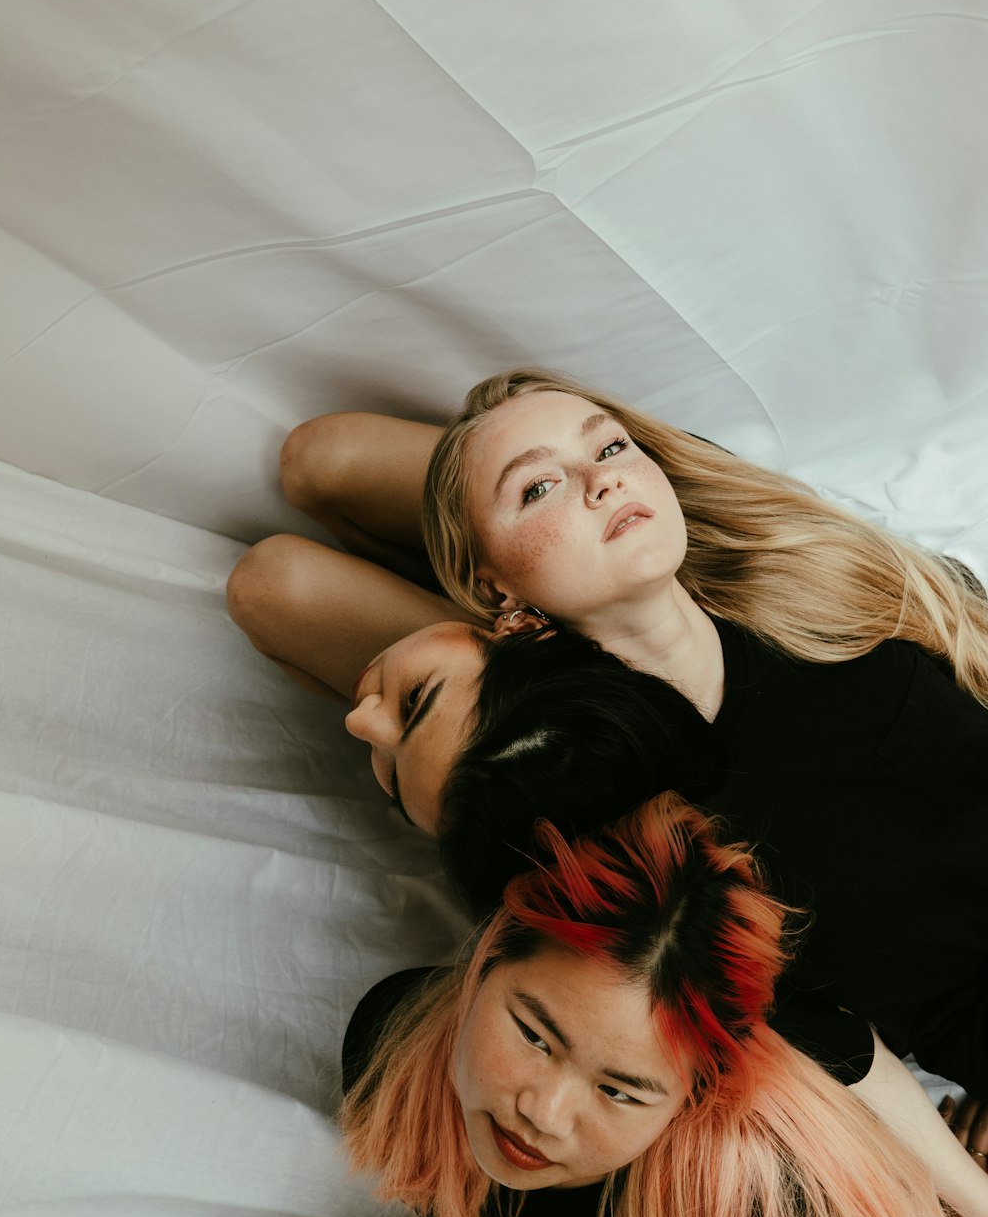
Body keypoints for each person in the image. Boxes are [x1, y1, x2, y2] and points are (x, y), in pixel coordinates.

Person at [226, 366, 988, 1145]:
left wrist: (529, 519)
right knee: (317, 465)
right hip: (678, 618)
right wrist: (547, 478)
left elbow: (275, 587)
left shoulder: (624, 812)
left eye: (611, 449)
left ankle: (511, 540)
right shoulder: (792, 576)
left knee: (287, 549)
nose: (601, 478)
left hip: (575, 698)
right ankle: (508, 526)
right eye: (548, 483)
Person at [341, 795, 965, 1217]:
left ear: (693, 1099)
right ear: (489, 955)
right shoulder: (387, 1049)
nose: (543, 1113)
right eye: (534, 1036)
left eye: (619, 1091)